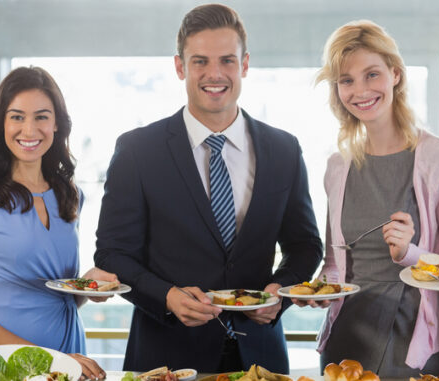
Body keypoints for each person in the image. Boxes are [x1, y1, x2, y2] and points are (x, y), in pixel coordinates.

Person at [93, 3, 323, 374]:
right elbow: (113, 254)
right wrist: (167, 297)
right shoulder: (138, 150)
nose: (214, 74)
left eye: (227, 61)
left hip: (261, 357)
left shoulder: (284, 150)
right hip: (165, 356)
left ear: (245, 65)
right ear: (180, 67)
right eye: (200, 61)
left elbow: (305, 246)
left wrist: (280, 292)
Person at [301, 20, 439, 377]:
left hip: (411, 334)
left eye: (372, 74)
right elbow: (335, 263)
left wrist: (409, 254)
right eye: (346, 80)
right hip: (347, 333)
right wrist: (319, 290)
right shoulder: (337, 166)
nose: (360, 90)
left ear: (395, 74)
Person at [0, 66, 118, 380]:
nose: (29, 130)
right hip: (10, 367)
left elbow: (53, 295)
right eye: (17, 116)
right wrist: (48, 360)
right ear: (0, 122)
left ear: (57, 124)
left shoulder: (68, 192)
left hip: (72, 360)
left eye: (41, 116)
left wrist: (87, 286)